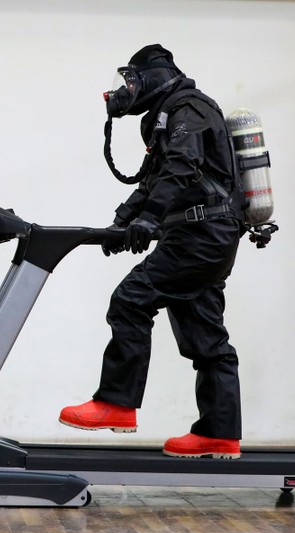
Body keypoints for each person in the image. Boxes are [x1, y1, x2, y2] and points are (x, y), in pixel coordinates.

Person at [59, 45, 245, 459]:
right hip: (203, 235)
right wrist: (121, 223)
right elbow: (151, 182)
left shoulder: (190, 108)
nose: (125, 91)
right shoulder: (165, 117)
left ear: (155, 77)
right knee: (206, 338)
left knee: (130, 301)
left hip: (200, 235)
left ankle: (117, 403)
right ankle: (219, 432)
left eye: (132, 81)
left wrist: (148, 220)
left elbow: (183, 165)